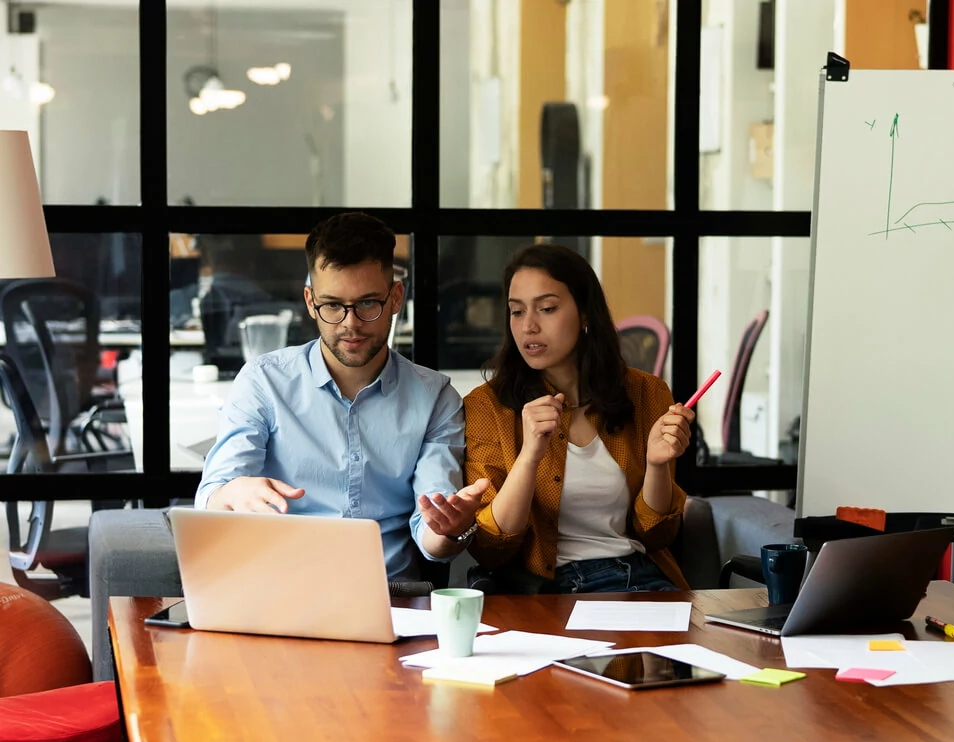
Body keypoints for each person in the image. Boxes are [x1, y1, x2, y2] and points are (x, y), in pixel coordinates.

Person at [196, 212, 487, 577]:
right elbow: (212, 496)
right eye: (332, 305)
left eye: (367, 303)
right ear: (310, 301)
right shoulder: (263, 381)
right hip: (279, 591)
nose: (350, 323)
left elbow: (433, 540)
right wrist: (232, 492)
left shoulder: (434, 399)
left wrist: (451, 530)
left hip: (389, 598)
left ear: (395, 298)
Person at [463, 243, 694, 593]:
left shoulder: (647, 393)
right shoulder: (488, 406)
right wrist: (529, 456)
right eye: (516, 312)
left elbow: (658, 534)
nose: (528, 327)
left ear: (585, 313)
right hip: (551, 592)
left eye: (547, 308)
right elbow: (491, 548)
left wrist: (657, 466)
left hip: (641, 580)